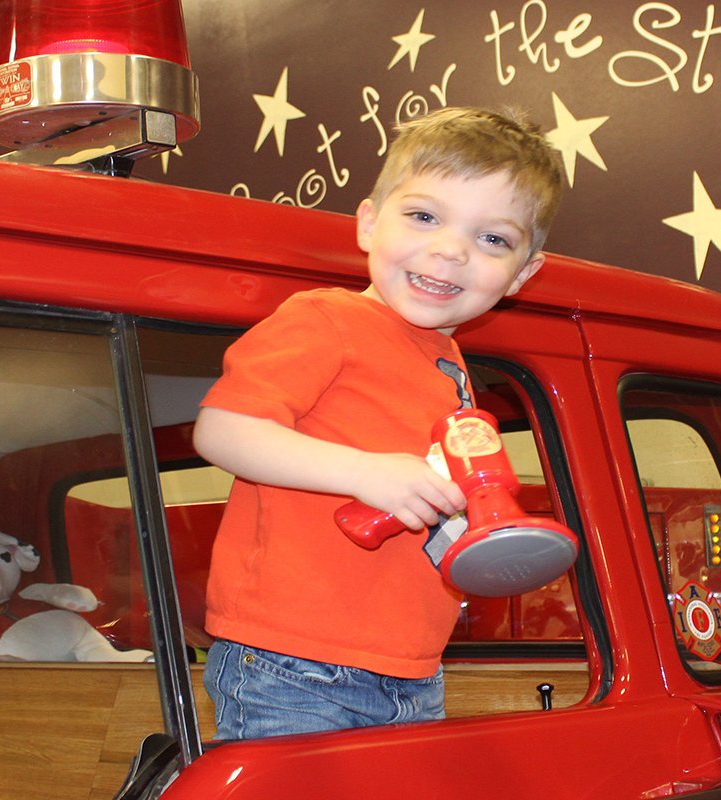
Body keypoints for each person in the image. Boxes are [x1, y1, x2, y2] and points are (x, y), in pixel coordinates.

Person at [191, 106, 566, 739]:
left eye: (492, 239)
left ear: (523, 274)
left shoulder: (449, 365)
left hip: (412, 668)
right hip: (293, 661)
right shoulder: (327, 319)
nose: (449, 250)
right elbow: (222, 429)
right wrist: (368, 474)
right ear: (368, 223)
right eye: (424, 216)